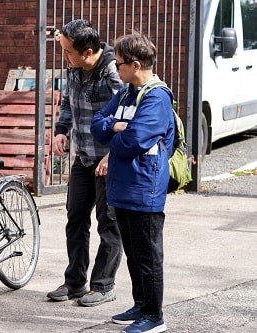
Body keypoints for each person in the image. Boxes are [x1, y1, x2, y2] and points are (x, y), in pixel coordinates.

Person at [91, 32, 173, 333]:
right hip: (123, 185)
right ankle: (141, 305)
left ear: (135, 65)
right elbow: (97, 124)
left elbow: (136, 140)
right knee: (134, 251)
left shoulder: (157, 97)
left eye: (120, 63)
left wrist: (115, 136)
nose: (116, 68)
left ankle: (154, 316)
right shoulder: (125, 93)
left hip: (144, 187)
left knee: (148, 254)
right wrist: (115, 125)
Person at [46, 19, 124, 307]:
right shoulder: (75, 67)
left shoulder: (114, 71)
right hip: (83, 157)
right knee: (75, 218)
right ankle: (75, 282)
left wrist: (113, 153)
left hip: (110, 159)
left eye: (68, 52)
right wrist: (61, 131)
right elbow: (68, 102)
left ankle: (103, 285)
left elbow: (128, 115)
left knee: (109, 223)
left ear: (88, 52)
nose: (65, 57)